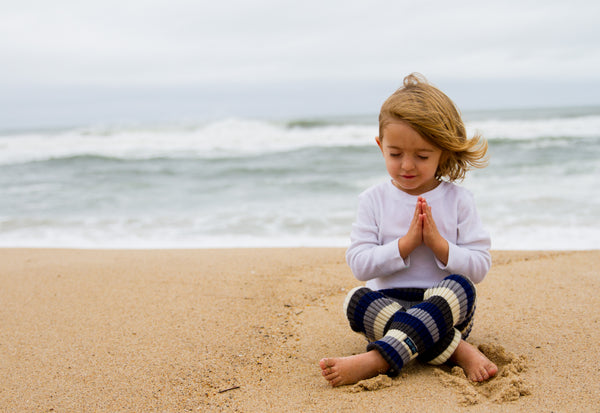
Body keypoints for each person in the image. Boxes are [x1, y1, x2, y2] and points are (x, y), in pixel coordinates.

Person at [319, 73, 499, 387]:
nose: (407, 166)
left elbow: (480, 267)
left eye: (422, 156)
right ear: (380, 146)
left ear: (443, 150)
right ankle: (457, 351)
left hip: (446, 310)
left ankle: (378, 358)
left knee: (462, 286)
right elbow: (359, 264)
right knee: (354, 300)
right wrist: (405, 245)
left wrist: (438, 245)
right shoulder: (373, 200)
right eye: (395, 154)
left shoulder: (459, 200)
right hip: (389, 305)